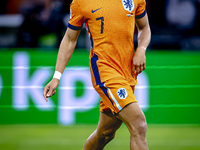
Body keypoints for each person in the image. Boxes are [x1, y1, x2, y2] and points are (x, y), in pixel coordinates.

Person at [43, 0, 151, 149]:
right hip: (105, 71)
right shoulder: (81, 2)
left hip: (128, 73)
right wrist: (56, 76)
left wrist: (141, 49)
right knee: (138, 123)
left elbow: (144, 27)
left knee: (105, 133)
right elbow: (69, 38)